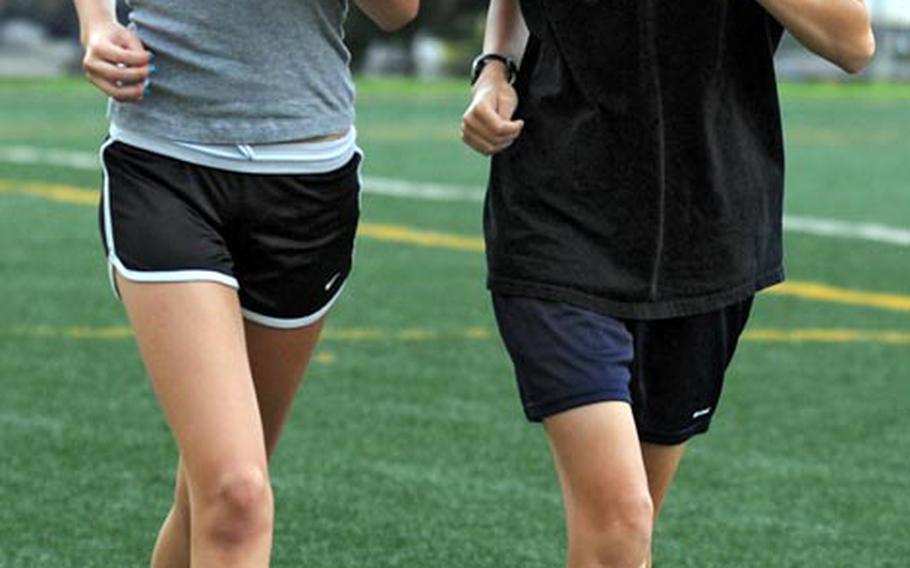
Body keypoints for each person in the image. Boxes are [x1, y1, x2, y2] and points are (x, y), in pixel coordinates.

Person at [462, 1, 874, 567]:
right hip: (556, 217)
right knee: (621, 517)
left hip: (707, 235)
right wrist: (494, 67)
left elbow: (852, 41)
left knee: (629, 535)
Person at [73, 0, 418, 566]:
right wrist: (96, 22)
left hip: (307, 181)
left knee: (208, 502)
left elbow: (398, 11)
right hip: (165, 163)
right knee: (235, 495)